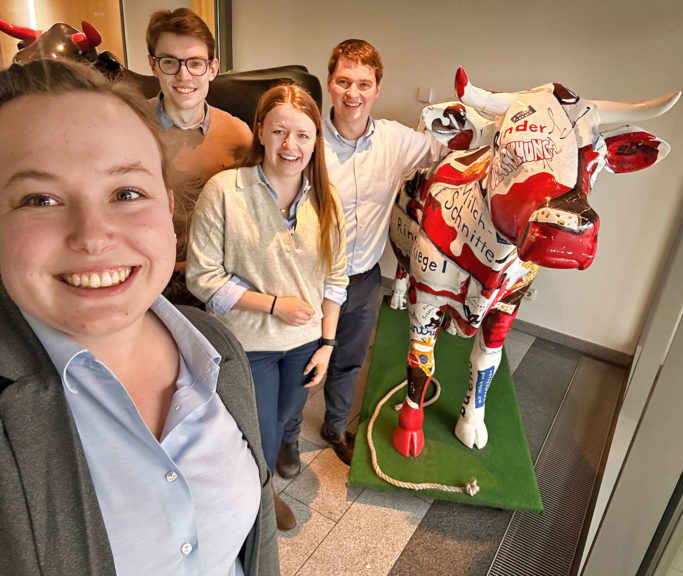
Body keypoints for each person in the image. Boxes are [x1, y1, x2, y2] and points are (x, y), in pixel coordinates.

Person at [0, 59, 279, 575]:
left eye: (127, 193)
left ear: (168, 206)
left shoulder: (216, 346)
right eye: (40, 198)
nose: (93, 236)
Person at [186, 84, 347, 531]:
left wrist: (328, 343)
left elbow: (336, 281)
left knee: (283, 417)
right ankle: (259, 499)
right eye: (279, 132)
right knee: (258, 429)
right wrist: (273, 305)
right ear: (260, 131)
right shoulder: (224, 191)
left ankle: (261, 483)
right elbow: (203, 278)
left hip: (304, 341)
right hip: (245, 341)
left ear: (316, 139)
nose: (290, 146)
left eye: (303, 135)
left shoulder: (325, 200)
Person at [315, 39, 444, 465]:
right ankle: (283, 438)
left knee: (349, 362)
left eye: (363, 84)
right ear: (329, 83)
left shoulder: (394, 140)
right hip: (310, 277)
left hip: (365, 279)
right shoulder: (308, 138)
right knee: (296, 359)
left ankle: (335, 426)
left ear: (377, 89)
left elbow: (446, 151)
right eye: (344, 81)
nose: (353, 93)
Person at [146, 8, 252, 305]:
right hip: (147, 279)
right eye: (170, 62)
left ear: (212, 68)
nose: (184, 75)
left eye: (195, 63)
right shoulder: (128, 127)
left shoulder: (238, 135)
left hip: (213, 280)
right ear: (153, 66)